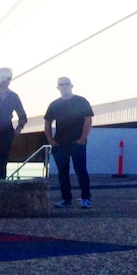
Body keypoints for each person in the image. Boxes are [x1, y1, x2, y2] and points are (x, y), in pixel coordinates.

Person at [44, 77, 94, 208]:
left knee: (81, 170)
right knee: (62, 172)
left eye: (66, 84)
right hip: (60, 143)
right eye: (61, 84)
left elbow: (88, 120)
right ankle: (66, 199)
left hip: (77, 142)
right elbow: (48, 122)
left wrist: (83, 138)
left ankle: (86, 198)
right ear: (58, 87)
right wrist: (50, 139)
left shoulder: (81, 101)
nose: (64, 86)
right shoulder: (54, 104)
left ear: (72, 86)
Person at [0, 67, 27, 179]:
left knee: (3, 160)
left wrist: (18, 129)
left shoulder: (14, 96)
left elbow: (22, 116)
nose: (5, 80)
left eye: (8, 78)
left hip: (6, 131)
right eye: (3, 77)